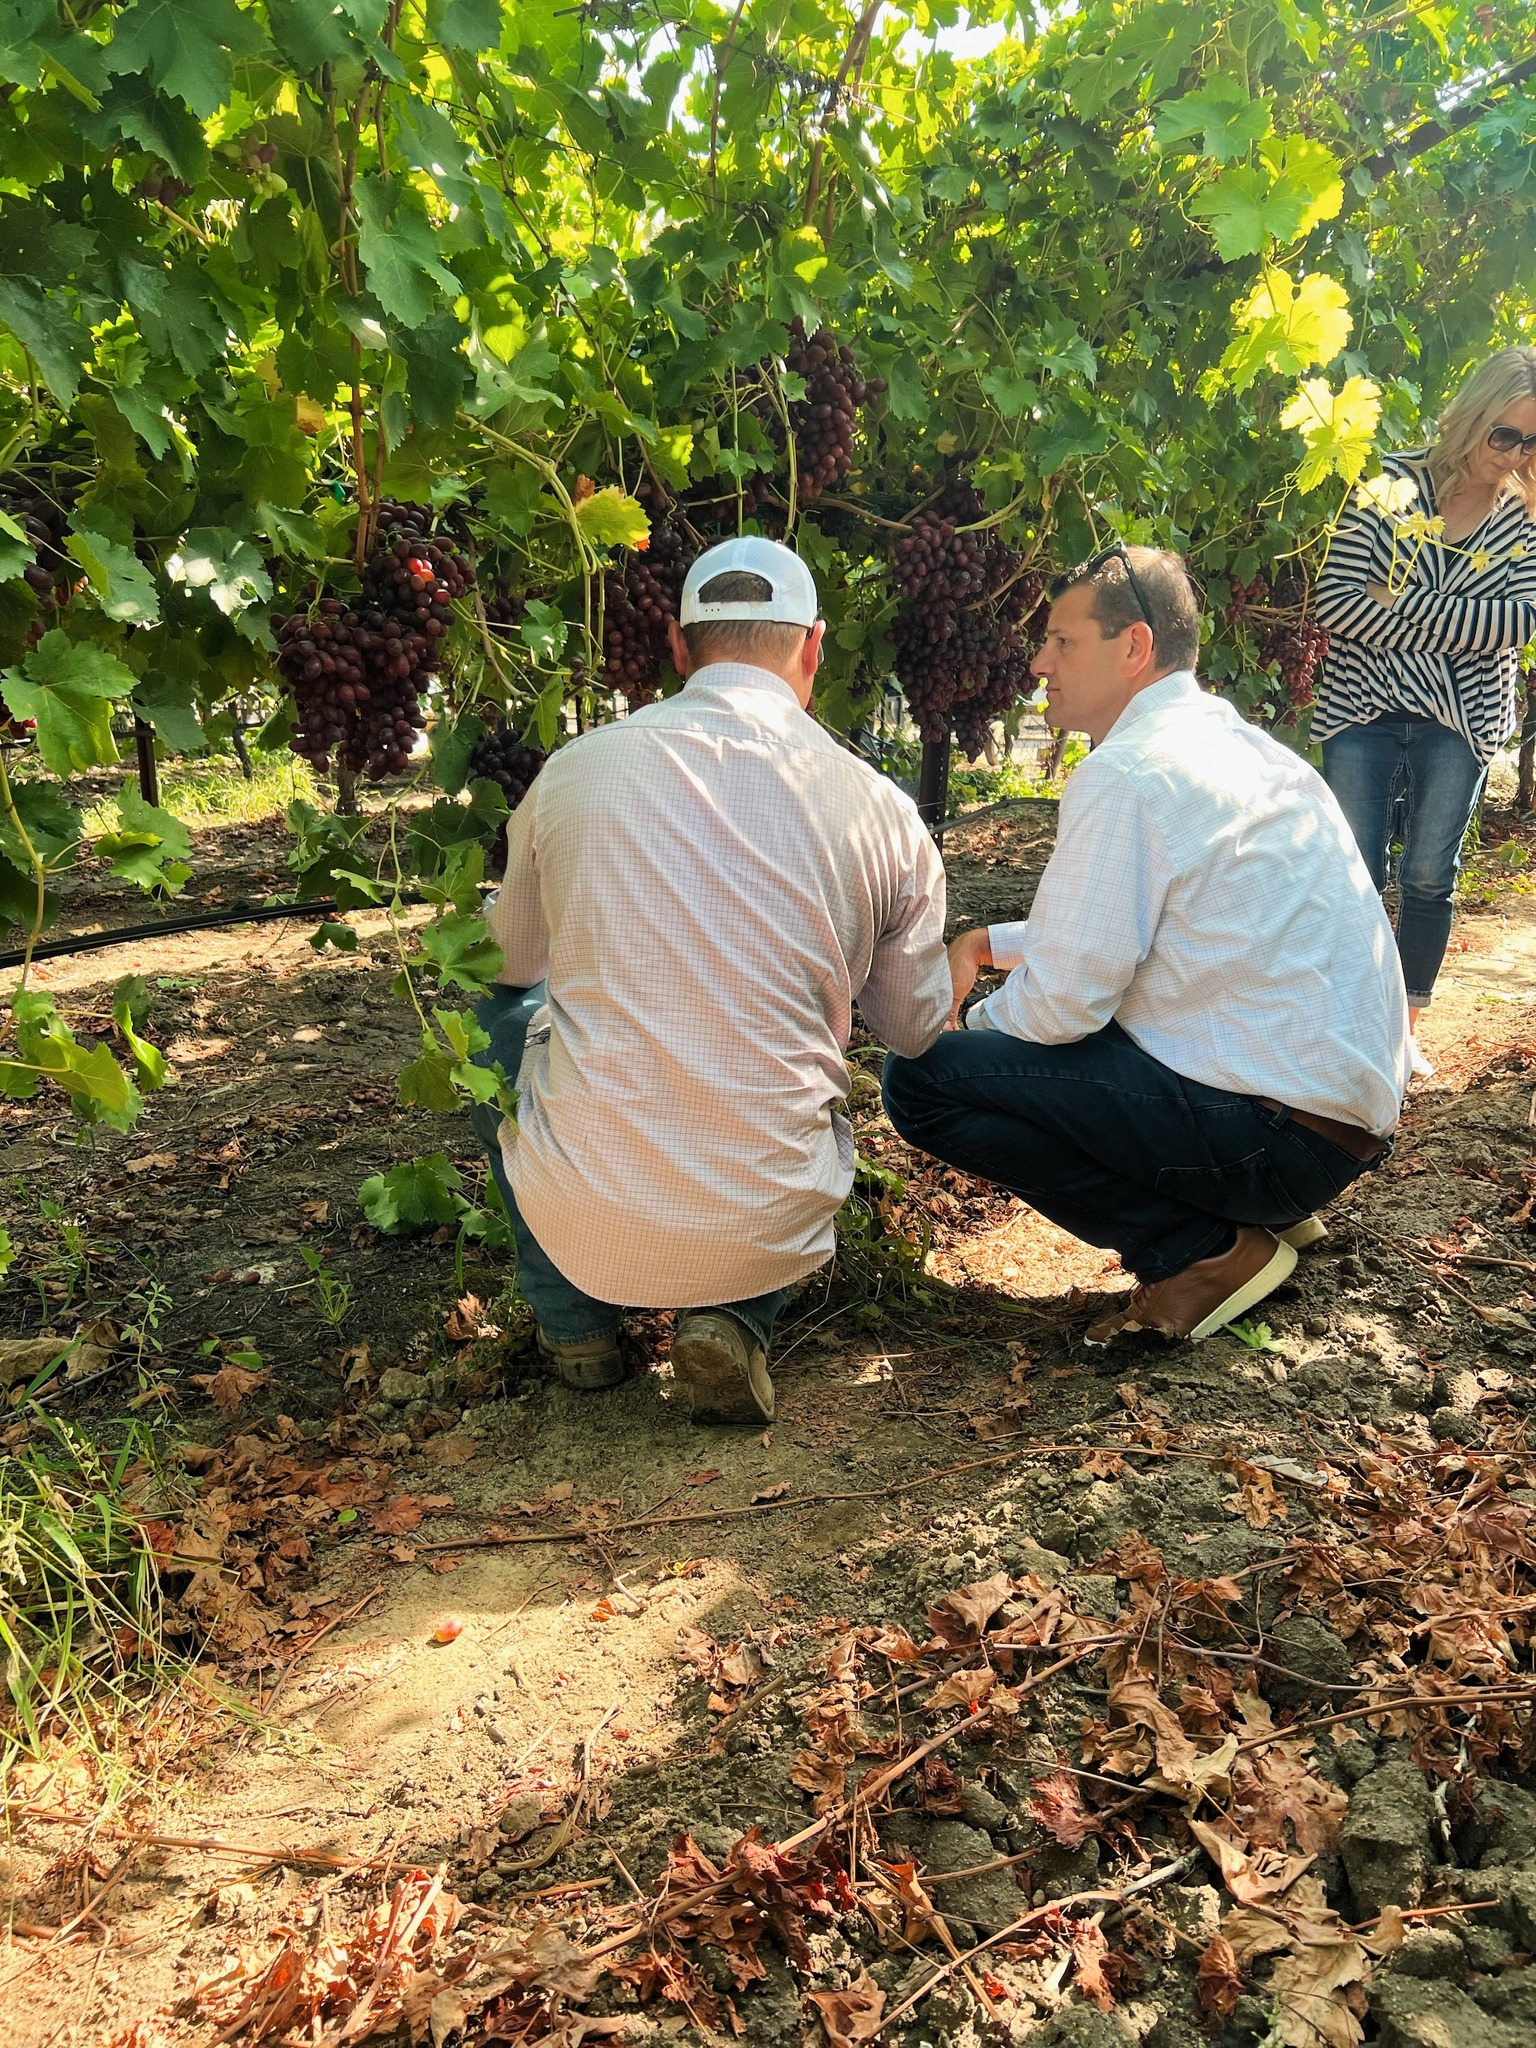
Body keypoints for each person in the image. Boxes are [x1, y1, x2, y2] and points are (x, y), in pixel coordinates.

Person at [882, 545, 1412, 1346]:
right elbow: (1164, 921)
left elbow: (1066, 1000)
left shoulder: (1129, 772)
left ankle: (1201, 1250)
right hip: (1329, 1130)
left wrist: (968, 1038)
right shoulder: (1246, 751)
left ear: (1133, 647)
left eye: (1062, 641)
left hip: (1271, 1140)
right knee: (1097, 1022)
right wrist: (988, 943)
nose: (1038, 662)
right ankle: (1254, 1215)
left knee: (922, 1080)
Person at [472, 536, 950, 1422]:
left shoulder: (577, 769)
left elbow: (509, 965)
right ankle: (731, 1312)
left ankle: (574, 1323)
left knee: (492, 1021)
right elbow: (916, 1031)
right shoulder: (883, 811)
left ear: (678, 647)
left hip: (588, 1216)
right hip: (770, 1215)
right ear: (814, 647)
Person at [1313, 346, 1536, 1073]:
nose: (1514, 455)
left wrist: (1402, 602)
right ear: (1472, 415)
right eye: (1505, 434)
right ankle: (1352, 1014)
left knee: (1430, 875)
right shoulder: (1391, 484)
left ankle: (1403, 1027)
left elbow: (1520, 624)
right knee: (1354, 869)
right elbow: (1336, 603)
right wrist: (1465, 615)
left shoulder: (1528, 512)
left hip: (1465, 715)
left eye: (1533, 440)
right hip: (1362, 703)